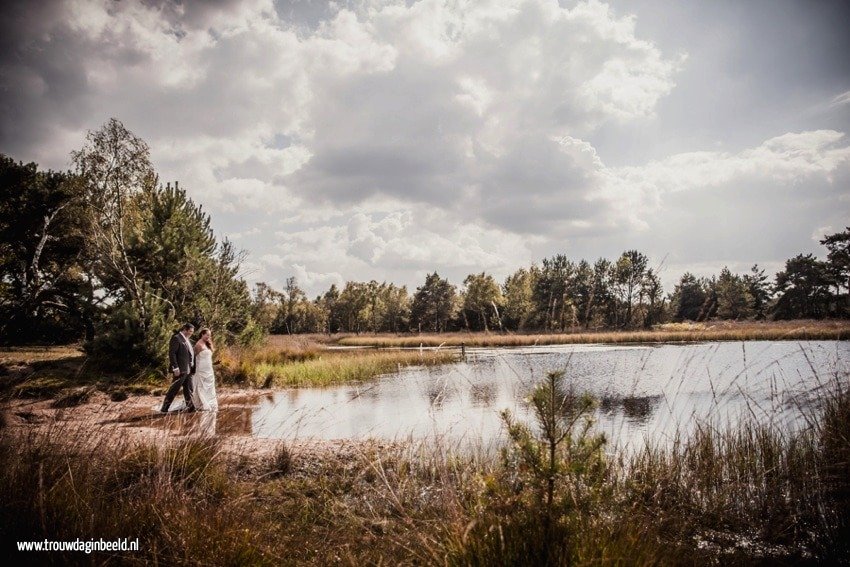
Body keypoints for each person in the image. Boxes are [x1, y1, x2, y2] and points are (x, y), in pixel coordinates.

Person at [160, 323, 196, 413]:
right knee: (174, 389)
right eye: (190, 331)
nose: (191, 333)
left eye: (192, 332)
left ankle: (191, 408)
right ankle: (164, 408)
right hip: (180, 369)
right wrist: (175, 368)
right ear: (185, 329)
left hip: (189, 369)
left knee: (189, 389)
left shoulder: (187, 339)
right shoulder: (176, 338)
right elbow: (172, 354)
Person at [190, 328, 218, 411]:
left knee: (209, 387)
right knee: (201, 386)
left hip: (209, 369)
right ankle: (201, 404)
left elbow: (208, 358)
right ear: (202, 334)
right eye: (207, 335)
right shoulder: (198, 345)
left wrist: (214, 363)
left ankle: (209, 403)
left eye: (209, 335)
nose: (208, 337)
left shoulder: (207, 344)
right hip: (201, 369)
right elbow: (193, 358)